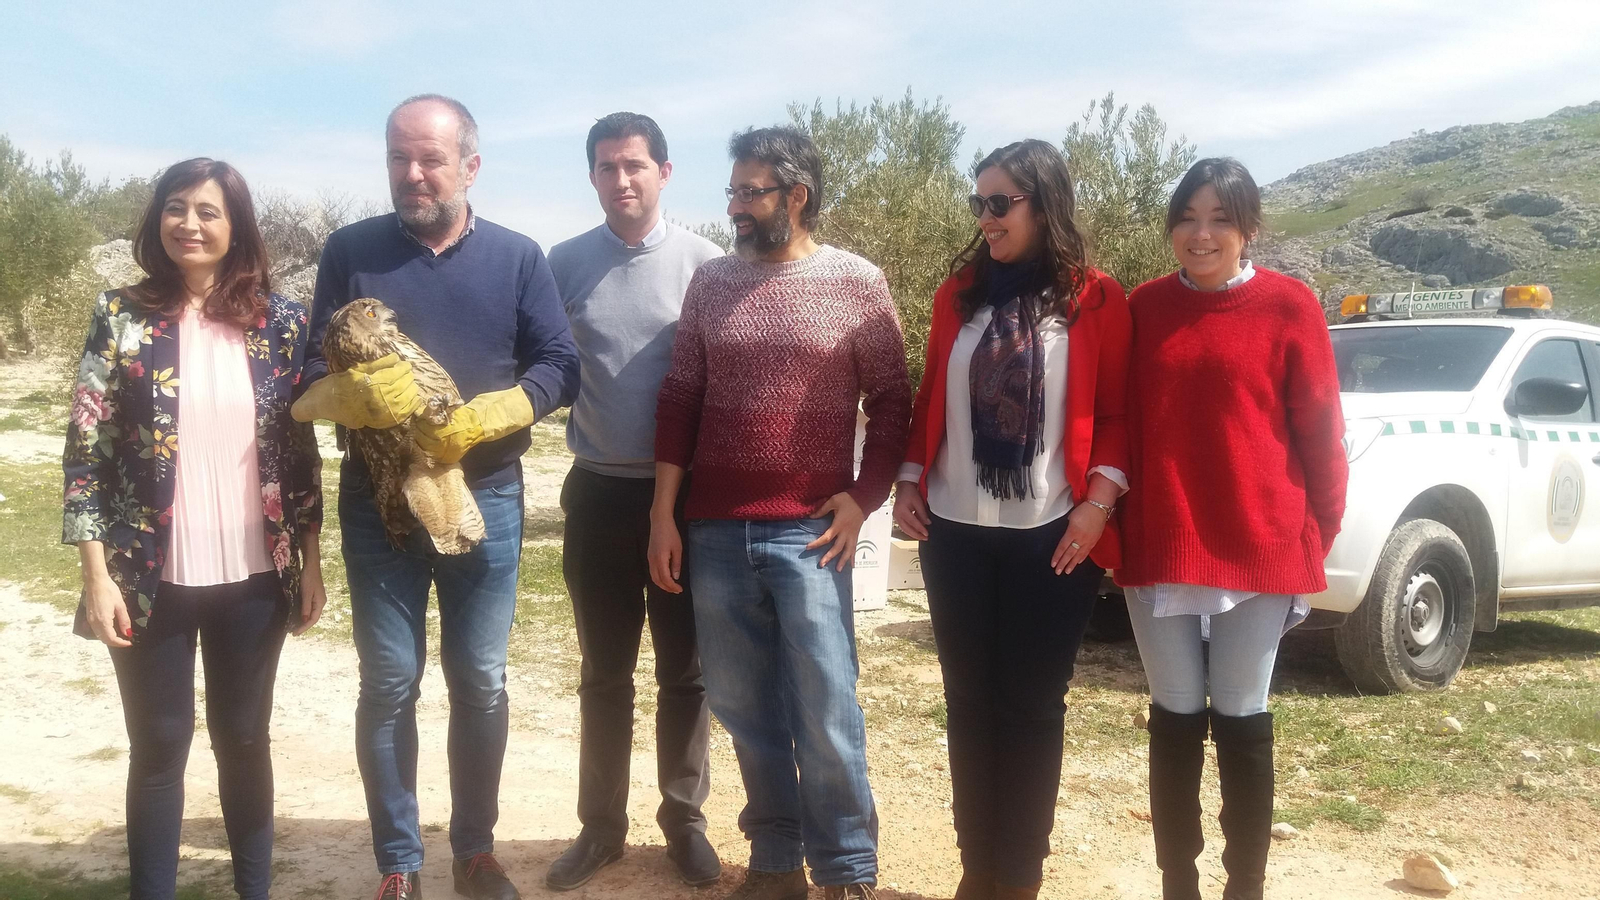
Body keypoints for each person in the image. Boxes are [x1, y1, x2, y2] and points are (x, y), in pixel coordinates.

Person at [296, 94, 580, 900]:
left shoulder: (519, 257)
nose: (412, 174)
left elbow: (560, 361)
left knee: (479, 679)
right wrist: (347, 398)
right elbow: (314, 369)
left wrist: (502, 410)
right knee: (388, 680)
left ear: (470, 166)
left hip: (482, 494)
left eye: (429, 159)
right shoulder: (349, 249)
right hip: (376, 501)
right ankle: (399, 864)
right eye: (398, 158)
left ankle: (477, 852)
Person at [648, 126, 910, 900]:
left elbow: (893, 401)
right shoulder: (712, 283)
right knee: (741, 704)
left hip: (812, 533)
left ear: (795, 197)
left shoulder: (857, 282)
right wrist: (666, 513)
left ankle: (848, 871)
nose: (733, 207)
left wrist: (865, 500)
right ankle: (774, 860)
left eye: (748, 192)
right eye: (731, 191)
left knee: (827, 705)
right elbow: (681, 399)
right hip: (716, 528)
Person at [62, 157, 325, 900]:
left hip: (254, 574)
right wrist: (95, 574)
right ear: (158, 221)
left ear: (235, 225)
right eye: (176, 208)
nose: (190, 223)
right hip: (147, 577)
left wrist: (309, 559)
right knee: (159, 748)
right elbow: (87, 450)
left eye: (208, 211)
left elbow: (297, 454)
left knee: (243, 741)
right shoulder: (121, 315)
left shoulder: (282, 323)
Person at [892, 140, 1130, 900]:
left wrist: (1098, 506)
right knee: (968, 701)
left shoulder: (1096, 298)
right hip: (954, 534)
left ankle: (1018, 878)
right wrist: (906, 476)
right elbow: (932, 396)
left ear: (1043, 204)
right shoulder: (958, 294)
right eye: (979, 203)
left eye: (1001, 204)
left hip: (1054, 538)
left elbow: (1121, 414)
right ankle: (976, 872)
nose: (986, 218)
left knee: (1031, 707)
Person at [1116, 157, 1347, 900]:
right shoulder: (1142, 307)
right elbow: (1117, 422)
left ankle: (1244, 887)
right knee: (1175, 715)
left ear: (1249, 229)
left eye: (1221, 218)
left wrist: (1314, 536)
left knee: (1243, 712)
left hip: (1260, 546)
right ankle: (1177, 887)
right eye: (1187, 216)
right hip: (1160, 546)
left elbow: (1320, 433)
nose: (1202, 233)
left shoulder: (1290, 306)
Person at [543, 111, 724, 891]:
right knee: (603, 675)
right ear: (592, 177)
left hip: (685, 501)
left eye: (636, 165)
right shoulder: (562, 264)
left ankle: (683, 821)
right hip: (596, 494)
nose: (623, 180)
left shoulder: (708, 266)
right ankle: (600, 828)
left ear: (665, 172)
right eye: (608, 167)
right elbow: (542, 364)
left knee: (685, 675)